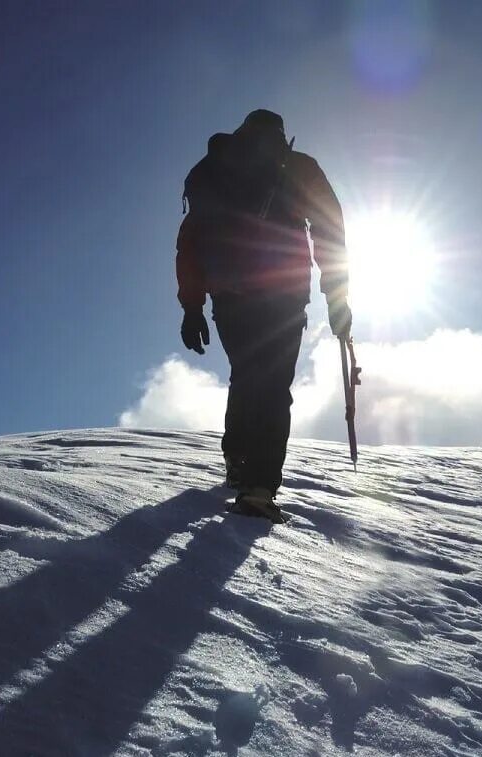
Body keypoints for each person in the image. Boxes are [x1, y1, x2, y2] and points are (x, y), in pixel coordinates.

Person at [176, 109, 351, 522]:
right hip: (283, 294)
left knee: (247, 375)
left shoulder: (214, 169)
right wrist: (337, 296)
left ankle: (238, 460)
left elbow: (190, 242)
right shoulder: (296, 166)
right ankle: (259, 487)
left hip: (229, 297)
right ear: (281, 133)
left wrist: (192, 307)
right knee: (272, 387)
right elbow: (330, 230)